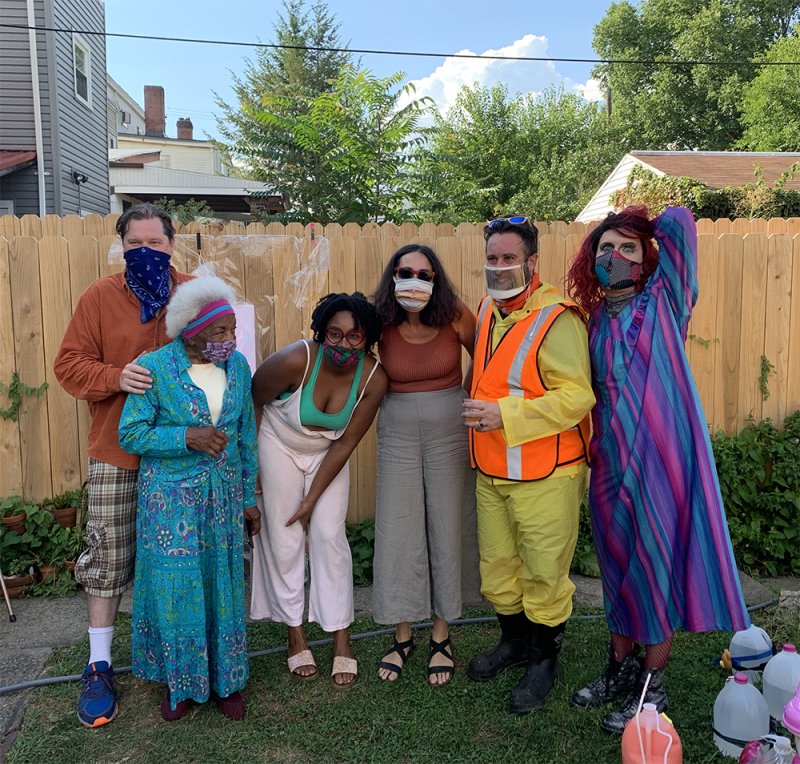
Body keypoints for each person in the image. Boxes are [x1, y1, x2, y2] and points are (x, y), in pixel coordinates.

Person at [565, 205, 750, 733]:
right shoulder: (593, 320)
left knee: (653, 568)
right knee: (616, 567)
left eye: (627, 248)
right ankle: (619, 669)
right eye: (605, 248)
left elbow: (680, 223)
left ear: (646, 258)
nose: (615, 256)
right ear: (591, 260)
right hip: (609, 462)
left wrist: (635, 222)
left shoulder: (665, 302)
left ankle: (652, 686)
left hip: (661, 464)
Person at [54, 203, 192, 728]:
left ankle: (183, 656)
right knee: (108, 554)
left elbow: (225, 353)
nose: (146, 252)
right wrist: (117, 376)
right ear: (122, 246)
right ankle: (99, 665)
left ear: (171, 245)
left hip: (182, 453)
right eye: (135, 244)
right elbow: (68, 365)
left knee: (180, 555)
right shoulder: (99, 296)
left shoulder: (194, 293)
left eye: (155, 243)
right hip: (117, 450)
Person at [463, 215, 595, 715]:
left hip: (546, 472)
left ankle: (544, 662)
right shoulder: (487, 308)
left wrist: (505, 414)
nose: (499, 267)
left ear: (532, 261)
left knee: (544, 573)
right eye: (492, 258)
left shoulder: (558, 317)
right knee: (498, 569)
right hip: (492, 467)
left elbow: (577, 397)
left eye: (509, 257)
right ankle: (514, 644)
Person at [118, 275, 259, 721]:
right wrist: (186, 437)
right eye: (219, 331)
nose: (229, 339)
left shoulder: (238, 367)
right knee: (177, 587)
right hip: (170, 502)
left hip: (223, 496)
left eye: (232, 329)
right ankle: (181, 684)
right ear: (192, 332)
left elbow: (245, 434)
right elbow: (131, 433)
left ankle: (226, 681)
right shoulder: (156, 368)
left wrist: (248, 495)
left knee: (223, 584)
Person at [249, 292, 387, 686]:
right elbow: (252, 403)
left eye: (355, 337)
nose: (343, 344)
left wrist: (311, 501)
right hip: (277, 443)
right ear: (320, 332)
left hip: (328, 452)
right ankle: (295, 634)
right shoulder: (296, 359)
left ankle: (341, 635)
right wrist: (251, 470)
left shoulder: (374, 378)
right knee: (285, 538)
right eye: (334, 334)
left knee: (328, 535)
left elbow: (345, 443)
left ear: (368, 339)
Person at [371, 244, 479, 686]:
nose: (413, 280)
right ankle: (402, 633)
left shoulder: (454, 313)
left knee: (447, 523)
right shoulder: (380, 319)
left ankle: (440, 632)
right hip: (396, 430)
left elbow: (484, 357)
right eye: (405, 272)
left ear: (436, 280)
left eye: (424, 274)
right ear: (393, 276)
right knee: (398, 527)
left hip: (449, 429)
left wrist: (465, 396)